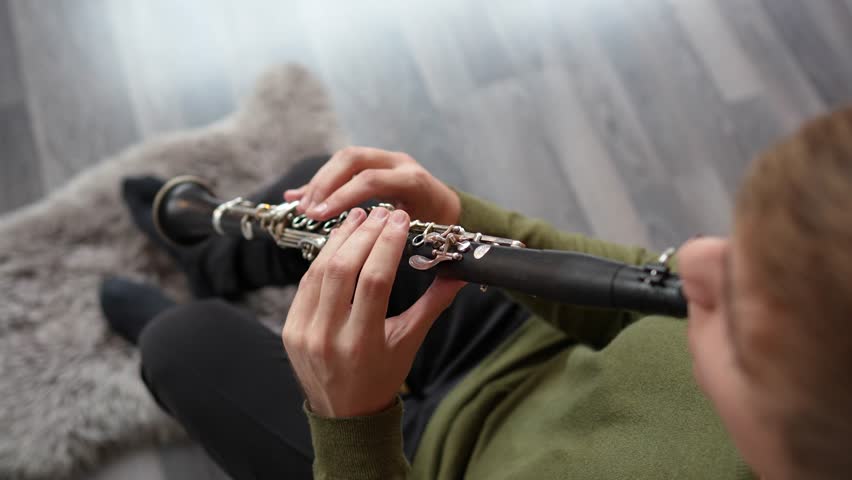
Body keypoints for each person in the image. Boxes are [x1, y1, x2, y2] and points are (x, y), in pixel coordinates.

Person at [101, 108, 852, 479]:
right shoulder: (797, 341)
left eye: (734, 308)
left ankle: (194, 303)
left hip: (420, 461)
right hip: (534, 340)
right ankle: (213, 258)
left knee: (185, 344)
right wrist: (464, 221)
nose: (694, 260)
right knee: (342, 198)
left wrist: (351, 421)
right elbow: (638, 287)